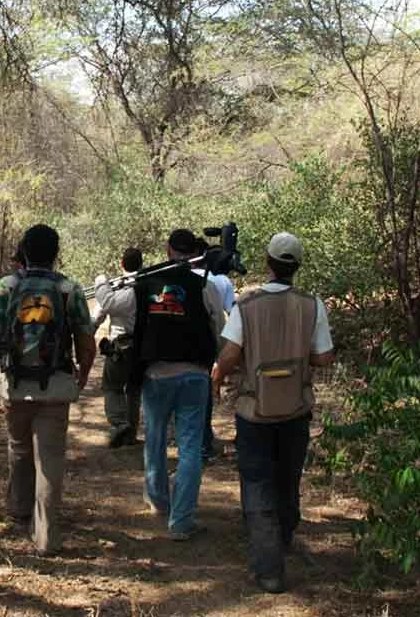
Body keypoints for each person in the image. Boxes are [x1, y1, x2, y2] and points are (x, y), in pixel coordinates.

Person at [211, 231, 336, 594]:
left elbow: (230, 355)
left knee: (257, 484)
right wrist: (300, 358)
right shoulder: (313, 305)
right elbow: (325, 356)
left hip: (254, 413)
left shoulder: (246, 306)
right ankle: (284, 536)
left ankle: (269, 569)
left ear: (268, 263)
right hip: (296, 411)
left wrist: (217, 378)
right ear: (296, 267)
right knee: (288, 478)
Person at [0, 224, 97, 555]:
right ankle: (46, 536)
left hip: (15, 385)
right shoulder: (69, 289)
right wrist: (82, 376)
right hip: (56, 386)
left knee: (18, 447)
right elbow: (87, 344)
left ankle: (19, 510)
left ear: (24, 251)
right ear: (55, 253)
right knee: (50, 458)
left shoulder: (6, 287)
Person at [131, 228, 224, 540]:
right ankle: (181, 521)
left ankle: (159, 502)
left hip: (156, 373)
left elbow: (129, 316)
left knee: (155, 439)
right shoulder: (204, 285)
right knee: (190, 448)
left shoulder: (145, 282)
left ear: (168, 249)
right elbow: (218, 326)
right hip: (194, 375)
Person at [94, 247, 143, 448]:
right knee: (134, 389)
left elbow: (105, 305)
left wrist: (100, 282)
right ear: (141, 264)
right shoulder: (146, 286)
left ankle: (120, 424)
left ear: (121, 264)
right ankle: (130, 432)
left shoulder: (128, 290)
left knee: (112, 387)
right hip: (141, 348)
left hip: (122, 346)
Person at [193, 240, 236, 463]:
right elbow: (229, 311)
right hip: (210, 344)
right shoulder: (221, 281)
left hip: (186, 347)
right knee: (205, 396)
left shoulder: (185, 278)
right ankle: (204, 443)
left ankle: (190, 441)